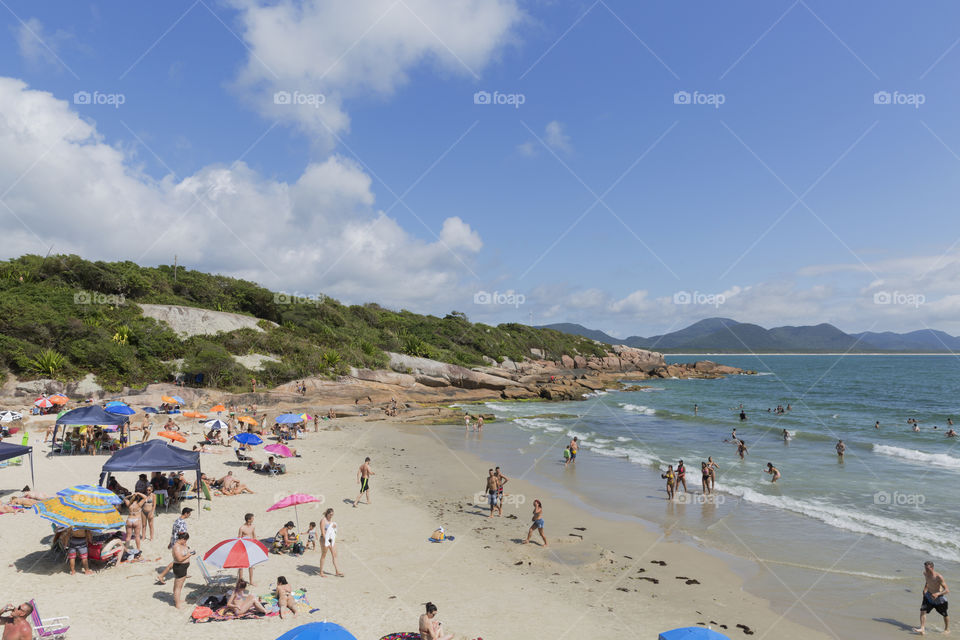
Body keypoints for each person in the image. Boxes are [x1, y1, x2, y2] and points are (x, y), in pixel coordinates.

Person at [914, 560, 950, 635]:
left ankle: (947, 629)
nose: (926, 570)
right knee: (922, 610)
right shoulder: (925, 573)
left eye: (928, 569)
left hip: (939, 598)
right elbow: (927, 582)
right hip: (928, 596)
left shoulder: (938, 577)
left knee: (944, 614)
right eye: (925, 568)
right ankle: (922, 628)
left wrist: (937, 594)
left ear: (932, 568)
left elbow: (947, 590)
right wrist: (925, 589)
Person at [160, 532, 194, 608]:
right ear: (182, 539)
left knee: (179, 586)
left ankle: (177, 600)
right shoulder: (176, 547)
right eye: (185, 540)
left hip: (183, 567)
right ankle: (177, 604)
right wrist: (189, 555)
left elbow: (184, 551)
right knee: (178, 587)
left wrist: (189, 551)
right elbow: (179, 559)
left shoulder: (182, 545)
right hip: (179, 567)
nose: (186, 542)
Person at [318, 508, 343, 577]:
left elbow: (332, 531)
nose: (331, 516)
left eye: (332, 514)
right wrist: (327, 541)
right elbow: (323, 532)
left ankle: (337, 571)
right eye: (330, 514)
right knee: (324, 555)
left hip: (331, 539)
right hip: (324, 539)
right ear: (327, 514)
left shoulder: (331, 520)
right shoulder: (323, 520)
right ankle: (321, 572)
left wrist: (334, 527)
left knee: (334, 554)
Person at [238, 513, 257, 585]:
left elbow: (254, 535)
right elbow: (239, 538)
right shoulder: (242, 528)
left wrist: (256, 544)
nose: (253, 519)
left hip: (251, 546)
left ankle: (251, 581)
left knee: (251, 565)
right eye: (252, 518)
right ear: (249, 519)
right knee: (241, 565)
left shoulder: (253, 526)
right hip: (243, 547)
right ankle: (240, 581)